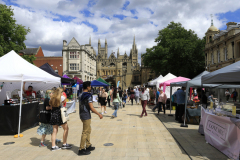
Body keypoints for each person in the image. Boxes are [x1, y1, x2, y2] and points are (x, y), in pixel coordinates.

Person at [78, 81, 103, 155]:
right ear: (88, 87)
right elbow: (91, 108)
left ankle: (88, 145)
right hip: (86, 115)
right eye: (90, 86)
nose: (91, 88)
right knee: (85, 132)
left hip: (82, 114)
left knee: (88, 130)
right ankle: (81, 149)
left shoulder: (81, 94)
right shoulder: (88, 96)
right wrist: (99, 114)